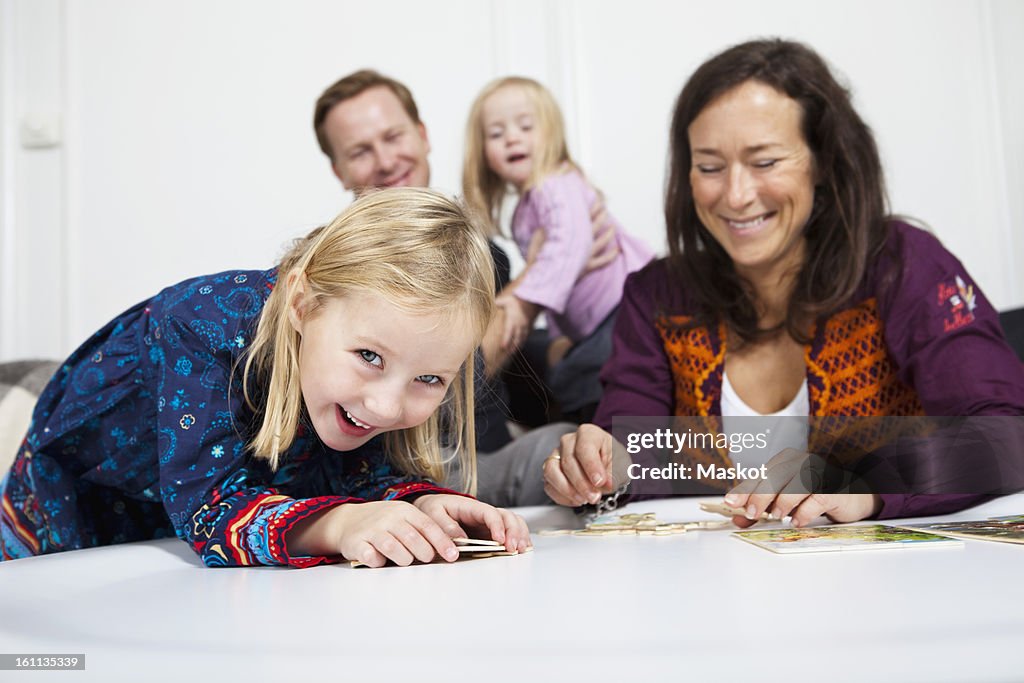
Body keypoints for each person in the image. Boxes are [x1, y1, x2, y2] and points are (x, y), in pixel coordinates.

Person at [542, 39, 1024, 526]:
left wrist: (858, 482)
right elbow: (640, 447)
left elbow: (1006, 433)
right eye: (709, 167)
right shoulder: (657, 294)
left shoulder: (903, 264)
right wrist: (600, 467)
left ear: (823, 162)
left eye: (765, 162)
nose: (736, 194)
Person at [0, 188, 530, 568]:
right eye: (369, 356)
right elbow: (210, 508)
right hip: (67, 509)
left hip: (176, 540)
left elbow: (354, 480)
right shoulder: (196, 327)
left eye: (430, 379)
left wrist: (421, 505)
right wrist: (343, 525)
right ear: (301, 304)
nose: (389, 407)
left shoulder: (360, 376)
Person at [311, 69, 598, 505]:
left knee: (585, 427)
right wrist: (542, 277)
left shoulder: (480, 253)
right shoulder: (334, 267)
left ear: (422, 135)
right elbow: (454, 379)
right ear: (339, 169)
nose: (386, 160)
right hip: (402, 456)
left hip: (488, 446)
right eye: (361, 151)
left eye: (394, 137)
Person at [462, 76, 654, 423]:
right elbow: (560, 271)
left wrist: (522, 301)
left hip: (622, 310)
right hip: (600, 320)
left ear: (552, 133)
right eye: (496, 133)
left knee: (583, 380)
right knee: (579, 374)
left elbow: (571, 247)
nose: (512, 138)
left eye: (525, 126)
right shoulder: (534, 199)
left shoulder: (554, 184)